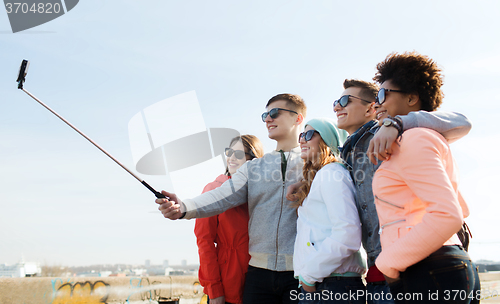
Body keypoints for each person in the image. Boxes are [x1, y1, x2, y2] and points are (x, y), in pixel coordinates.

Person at [324, 78, 472, 304]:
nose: (337, 106)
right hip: (381, 270)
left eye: (345, 100)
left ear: (370, 107)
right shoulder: (348, 153)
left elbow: (461, 121)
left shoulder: (391, 131)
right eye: (336, 101)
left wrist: (397, 123)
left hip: (409, 262)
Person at [157, 93, 307, 304]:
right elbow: (220, 196)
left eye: (275, 113)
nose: (268, 119)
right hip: (258, 275)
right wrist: (183, 207)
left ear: (298, 118)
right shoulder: (253, 168)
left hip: (300, 274)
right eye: (265, 115)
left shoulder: (315, 164)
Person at [371, 51, 480, 303]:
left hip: (428, 265)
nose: (376, 103)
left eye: (382, 95)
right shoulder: (416, 136)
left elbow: (448, 214)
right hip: (435, 263)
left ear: (411, 98)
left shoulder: (414, 138)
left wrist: (387, 262)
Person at [292, 118, 366, 304]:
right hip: (325, 282)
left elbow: (347, 232)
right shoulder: (323, 176)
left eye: (309, 134)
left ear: (326, 140)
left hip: (333, 285)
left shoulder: (332, 173)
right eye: (301, 135)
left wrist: (309, 275)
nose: (302, 140)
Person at [195, 135, 264, 304]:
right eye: (230, 152)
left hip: (260, 279)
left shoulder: (262, 192)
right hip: (227, 282)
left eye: (239, 154)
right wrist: (214, 289)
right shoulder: (213, 189)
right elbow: (205, 242)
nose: (232, 157)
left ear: (253, 160)